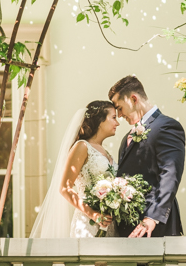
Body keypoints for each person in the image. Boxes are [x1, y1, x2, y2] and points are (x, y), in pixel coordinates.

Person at [109, 75, 186, 239]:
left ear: (133, 99)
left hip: (154, 227)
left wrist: (153, 217)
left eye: (120, 108)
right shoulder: (126, 138)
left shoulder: (167, 126)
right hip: (128, 228)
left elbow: (170, 173)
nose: (119, 115)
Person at [29, 100, 119, 239]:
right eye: (113, 117)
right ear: (100, 121)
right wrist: (93, 214)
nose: (117, 123)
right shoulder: (82, 146)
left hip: (109, 224)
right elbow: (65, 188)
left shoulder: (106, 153)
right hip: (87, 224)